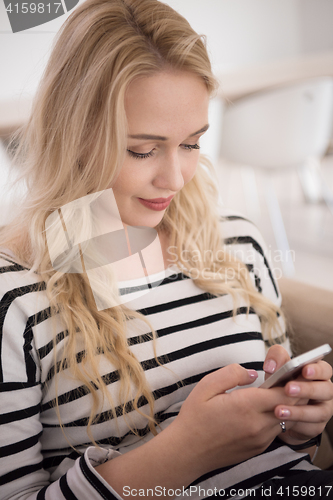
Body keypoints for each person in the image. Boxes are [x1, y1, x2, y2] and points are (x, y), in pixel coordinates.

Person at [1, 1, 333, 499]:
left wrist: (298, 424)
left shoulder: (237, 243)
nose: (175, 178)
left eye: (193, 143)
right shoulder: (17, 299)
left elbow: (288, 455)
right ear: (74, 135)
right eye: (143, 149)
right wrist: (186, 451)